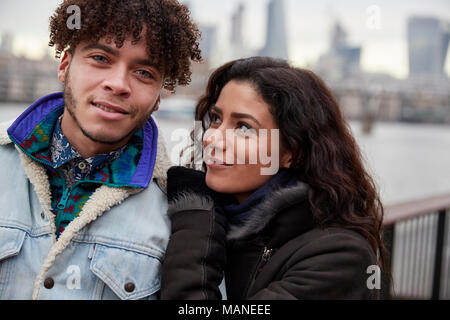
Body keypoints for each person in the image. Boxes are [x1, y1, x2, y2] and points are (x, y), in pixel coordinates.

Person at [0, 0, 201, 300]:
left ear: (159, 97)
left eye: (144, 73)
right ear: (65, 65)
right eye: (100, 58)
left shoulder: (184, 212)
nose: (118, 84)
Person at [161, 56, 388, 300]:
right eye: (217, 119)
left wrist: (195, 217)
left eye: (244, 128)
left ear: (293, 152)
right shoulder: (217, 218)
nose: (212, 138)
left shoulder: (341, 259)